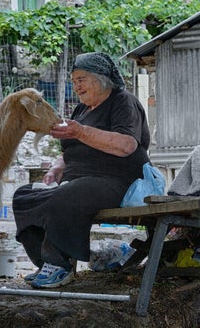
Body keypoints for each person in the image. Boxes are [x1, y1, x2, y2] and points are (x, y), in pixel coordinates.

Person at [12, 52, 151, 289]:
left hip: (118, 180)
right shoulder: (81, 111)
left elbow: (126, 145)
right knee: (24, 196)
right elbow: (71, 151)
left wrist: (81, 132)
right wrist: (57, 167)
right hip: (81, 180)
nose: (76, 86)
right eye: (73, 81)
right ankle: (46, 263)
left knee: (68, 195)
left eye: (81, 79)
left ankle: (60, 264)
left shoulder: (122, 101)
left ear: (101, 78)